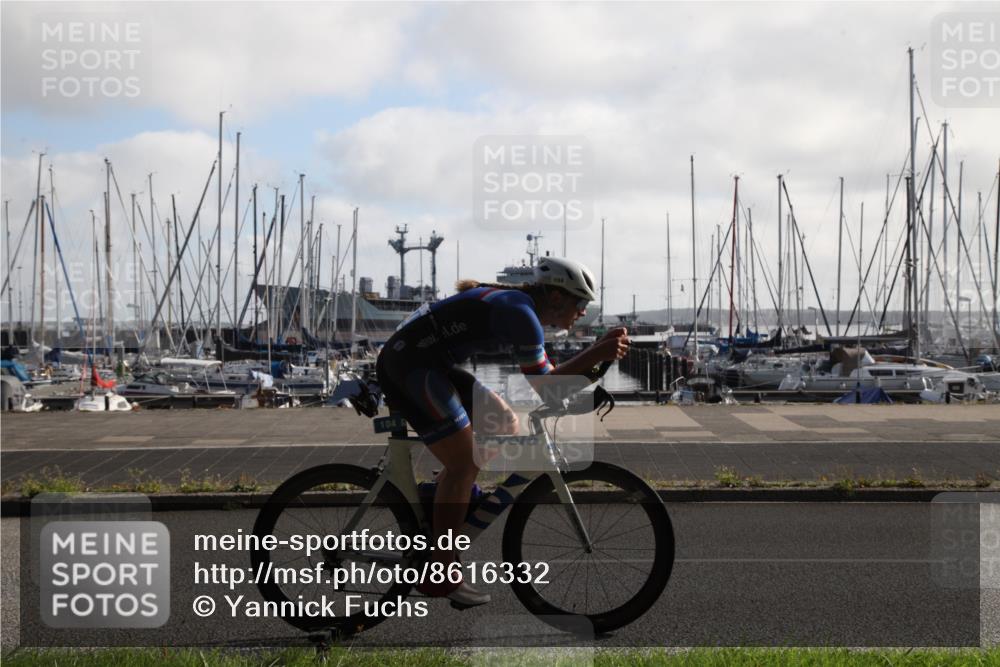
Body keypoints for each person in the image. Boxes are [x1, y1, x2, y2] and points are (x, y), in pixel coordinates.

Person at [375, 256, 630, 607]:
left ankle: (441, 495)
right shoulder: (520, 314)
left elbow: (549, 379)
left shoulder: (521, 308)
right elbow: (546, 386)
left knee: (505, 423)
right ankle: (441, 571)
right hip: (410, 367)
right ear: (557, 297)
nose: (583, 311)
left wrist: (598, 362)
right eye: (580, 302)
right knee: (464, 464)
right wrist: (597, 352)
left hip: (428, 363)